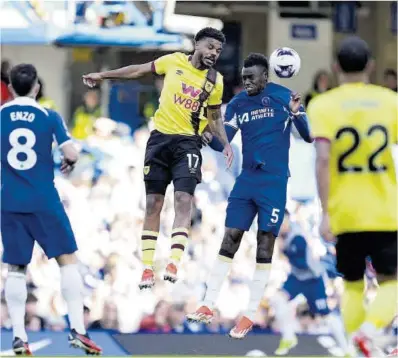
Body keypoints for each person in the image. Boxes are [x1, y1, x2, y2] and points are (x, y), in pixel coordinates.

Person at [82, 27, 233, 289]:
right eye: (210, 47)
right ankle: (147, 268)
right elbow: (136, 70)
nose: (213, 54)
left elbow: (214, 116)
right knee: (153, 203)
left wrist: (225, 142)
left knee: (184, 199)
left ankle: (174, 261)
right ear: (197, 44)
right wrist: (103, 75)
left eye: (218, 51)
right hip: (159, 140)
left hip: (188, 144)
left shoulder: (214, 81)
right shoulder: (172, 61)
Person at [186, 53, 312, 338]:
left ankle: (250, 313)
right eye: (243, 78)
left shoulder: (284, 97)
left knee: (264, 245)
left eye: (251, 78)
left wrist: (295, 112)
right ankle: (207, 304)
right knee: (230, 237)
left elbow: (307, 136)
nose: (246, 83)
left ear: (265, 76)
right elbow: (223, 144)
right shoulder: (239, 104)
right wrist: (208, 136)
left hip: (274, 182)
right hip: (247, 180)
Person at [0, 64, 102, 356]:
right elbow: (71, 153)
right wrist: (66, 160)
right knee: (67, 262)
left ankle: (19, 337)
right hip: (44, 199)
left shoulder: (0, 116)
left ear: (9, 87)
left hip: (10, 200)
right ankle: (78, 331)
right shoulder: (48, 115)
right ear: (35, 87)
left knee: (16, 269)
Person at [308, 36, 397, 357]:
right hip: (385, 209)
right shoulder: (390, 101)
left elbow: (321, 159)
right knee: (392, 284)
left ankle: (353, 352)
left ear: (335, 68)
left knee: (353, 285)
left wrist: (325, 212)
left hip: (344, 211)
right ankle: (369, 333)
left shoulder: (322, 105)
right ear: (371, 66)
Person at [270, 212, 350, 356]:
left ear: (287, 220)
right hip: (296, 277)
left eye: (282, 221)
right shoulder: (282, 236)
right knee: (276, 299)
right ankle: (289, 337)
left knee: (326, 315)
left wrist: (282, 248)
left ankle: (346, 349)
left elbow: (302, 264)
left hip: (313, 279)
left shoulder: (297, 237)